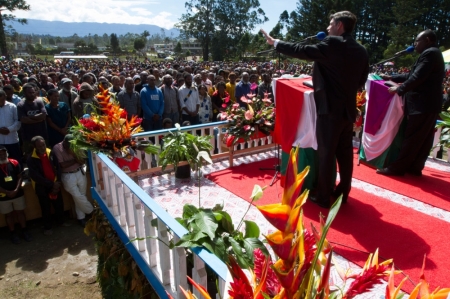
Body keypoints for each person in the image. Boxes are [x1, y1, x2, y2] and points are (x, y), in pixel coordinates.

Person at [261, 10, 369, 208]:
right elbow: (361, 81)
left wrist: (275, 42)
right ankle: (342, 194)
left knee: (326, 154)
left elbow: (302, 50)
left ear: (339, 26)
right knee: (345, 155)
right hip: (347, 111)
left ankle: (323, 197)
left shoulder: (332, 43)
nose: (327, 28)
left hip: (329, 111)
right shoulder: (361, 50)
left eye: (330, 23)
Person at [377, 29, 445, 176]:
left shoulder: (430, 53)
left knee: (413, 138)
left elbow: (418, 77)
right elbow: (412, 74)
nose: (415, 44)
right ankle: (415, 168)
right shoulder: (432, 53)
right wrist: (392, 76)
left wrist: (399, 89)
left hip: (423, 104)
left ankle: (397, 168)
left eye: (417, 41)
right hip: (428, 104)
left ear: (427, 40)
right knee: (423, 138)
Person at [27, 136, 65, 235]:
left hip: (55, 184)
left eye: (43, 145)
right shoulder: (31, 158)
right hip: (42, 187)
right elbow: (36, 176)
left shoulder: (51, 152)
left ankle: (61, 222)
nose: (42, 147)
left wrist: (57, 183)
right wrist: (51, 184)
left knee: (58, 204)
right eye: (39, 146)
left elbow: (58, 169)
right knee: (45, 207)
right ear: (34, 147)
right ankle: (47, 227)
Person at [53, 135, 93, 227]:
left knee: (81, 196)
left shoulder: (76, 145)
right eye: (68, 146)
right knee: (77, 195)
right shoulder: (57, 148)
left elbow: (82, 161)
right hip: (67, 175)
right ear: (64, 142)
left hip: (80, 172)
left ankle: (81, 218)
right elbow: (62, 165)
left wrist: (73, 155)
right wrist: (75, 160)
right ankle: (92, 212)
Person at [0, 146, 31, 244]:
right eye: (0, 154)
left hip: (17, 193)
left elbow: (20, 176)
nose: (2, 155)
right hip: (3, 195)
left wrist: (16, 189)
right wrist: (7, 192)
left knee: (20, 212)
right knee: (8, 215)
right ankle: (13, 233)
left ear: (7, 153)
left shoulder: (14, 162)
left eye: (4, 153)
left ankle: (24, 231)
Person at [16, 83, 49, 157]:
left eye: (33, 92)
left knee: (45, 154)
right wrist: (38, 119)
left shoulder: (39, 101)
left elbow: (44, 115)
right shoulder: (21, 105)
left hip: (42, 134)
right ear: (25, 93)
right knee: (30, 156)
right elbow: (24, 120)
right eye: (30, 93)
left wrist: (30, 117)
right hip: (28, 136)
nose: (32, 94)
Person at [0, 89, 22, 164]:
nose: (1, 103)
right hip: (0, 141)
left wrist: (9, 129)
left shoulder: (12, 106)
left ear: (5, 97)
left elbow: (18, 121)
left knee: (16, 160)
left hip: (12, 139)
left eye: (2, 100)